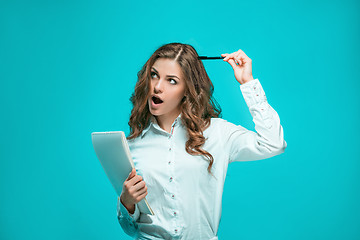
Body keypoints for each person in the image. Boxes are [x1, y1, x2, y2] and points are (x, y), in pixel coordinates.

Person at [116, 42, 287, 240]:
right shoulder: (133, 145)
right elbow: (130, 229)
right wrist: (126, 203)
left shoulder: (217, 133)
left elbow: (274, 143)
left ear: (187, 89)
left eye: (171, 80)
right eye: (154, 75)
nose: (157, 87)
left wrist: (247, 83)